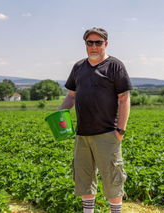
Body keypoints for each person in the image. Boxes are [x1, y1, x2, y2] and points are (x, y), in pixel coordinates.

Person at [58, 27, 132, 213]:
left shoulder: (115, 66)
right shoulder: (78, 67)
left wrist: (120, 131)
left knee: (112, 179)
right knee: (84, 179)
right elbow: (72, 96)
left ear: (105, 44)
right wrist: (59, 112)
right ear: (85, 45)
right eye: (89, 42)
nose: (94, 46)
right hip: (82, 134)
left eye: (98, 42)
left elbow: (124, 99)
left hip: (107, 133)